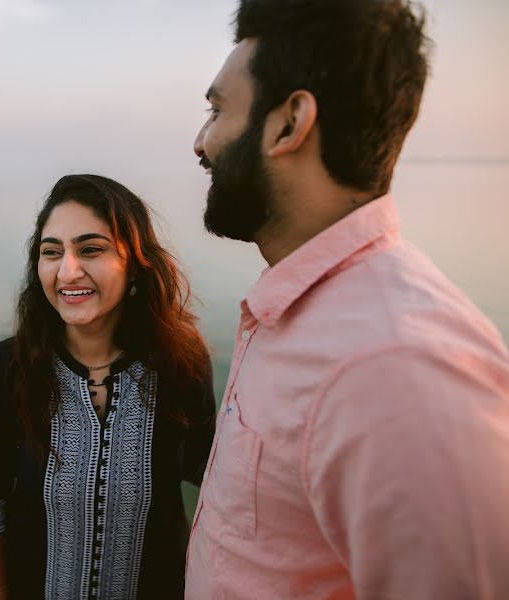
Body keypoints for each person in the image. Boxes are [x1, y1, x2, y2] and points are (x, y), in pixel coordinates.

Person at [185, 0, 509, 598]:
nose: (200, 143)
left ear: (289, 124)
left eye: (217, 110)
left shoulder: (395, 367)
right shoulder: (307, 314)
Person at [0, 174, 215, 599]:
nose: (67, 271)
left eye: (91, 249)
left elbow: (215, 484)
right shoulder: (8, 368)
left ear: (135, 263)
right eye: (51, 252)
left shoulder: (180, 363)